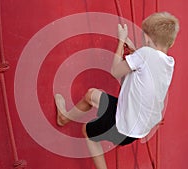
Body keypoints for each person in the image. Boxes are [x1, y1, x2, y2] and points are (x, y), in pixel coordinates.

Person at [55, 12, 179, 169]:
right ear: (171, 43)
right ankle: (64, 118)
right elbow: (147, 66)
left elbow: (115, 71)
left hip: (124, 127)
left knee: (88, 132)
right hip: (139, 126)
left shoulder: (145, 54)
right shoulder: (168, 63)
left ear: (147, 39)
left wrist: (121, 42)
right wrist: (134, 51)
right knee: (91, 95)